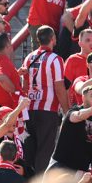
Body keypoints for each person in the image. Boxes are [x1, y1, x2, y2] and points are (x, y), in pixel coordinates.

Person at [20, 26, 69, 174]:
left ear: (37, 39)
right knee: (45, 151)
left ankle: (26, 182)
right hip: (48, 111)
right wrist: (67, 111)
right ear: (53, 39)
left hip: (30, 109)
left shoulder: (29, 57)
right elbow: (59, 88)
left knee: (30, 149)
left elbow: (24, 85)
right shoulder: (56, 59)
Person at [49, 84, 92, 174]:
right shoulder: (73, 111)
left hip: (81, 168)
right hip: (61, 165)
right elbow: (79, 116)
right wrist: (91, 110)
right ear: (83, 98)